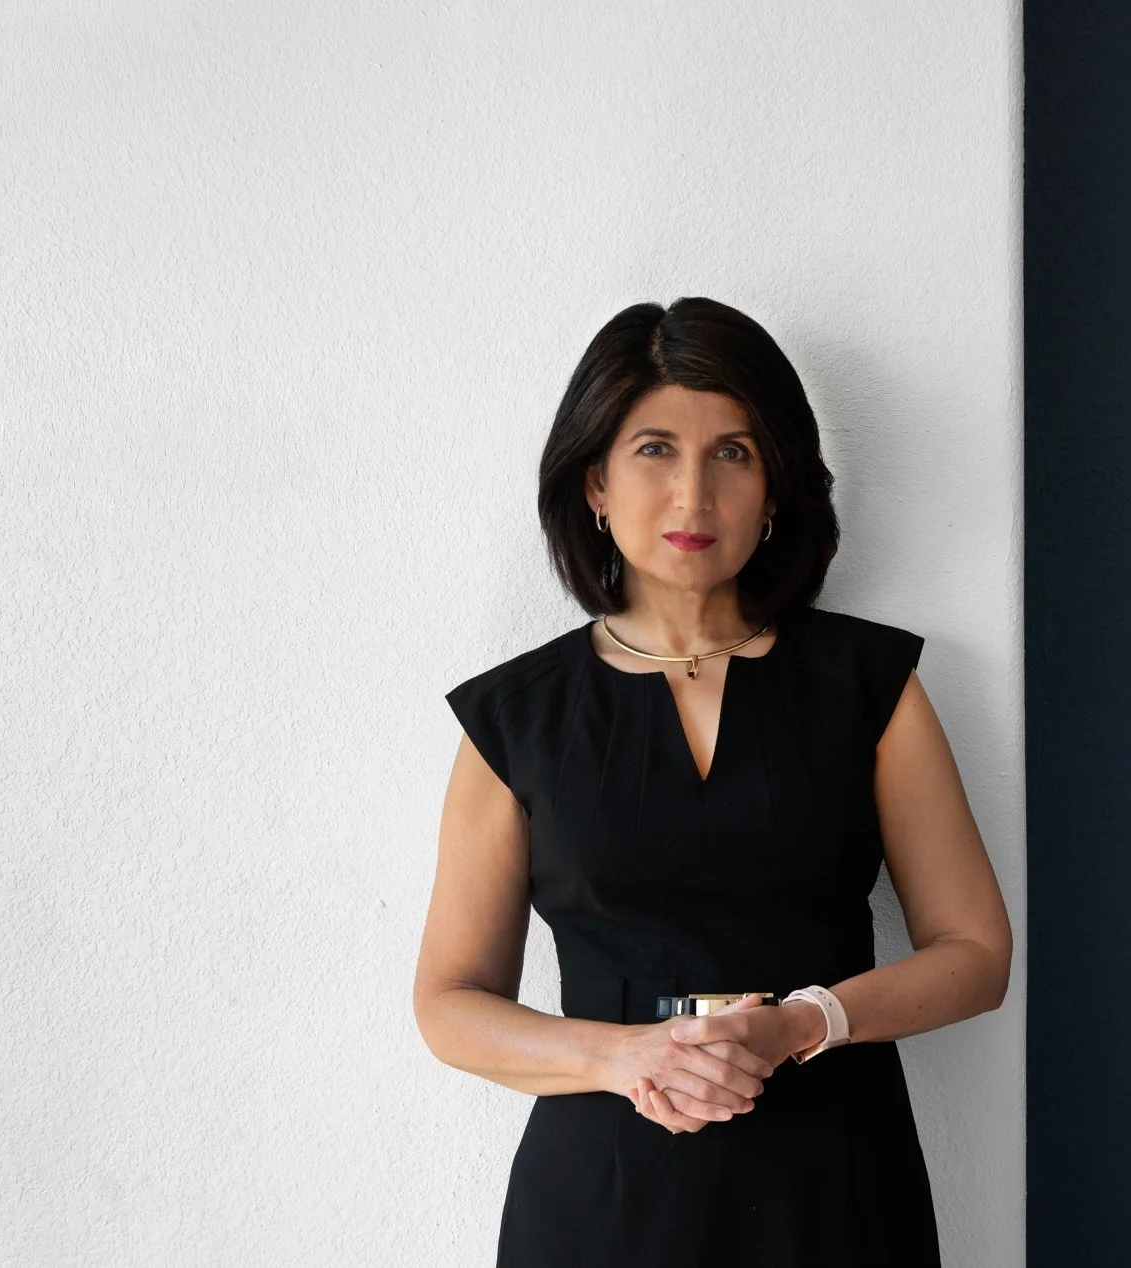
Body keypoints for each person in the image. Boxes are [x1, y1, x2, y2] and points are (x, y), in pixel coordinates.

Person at [412, 296, 1013, 1266]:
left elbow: (977, 951)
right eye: (655, 449)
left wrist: (804, 1021)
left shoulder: (872, 688)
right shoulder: (516, 720)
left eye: (732, 453)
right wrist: (621, 1055)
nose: (692, 497)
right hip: (601, 1202)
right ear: (595, 483)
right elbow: (447, 999)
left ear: (776, 487)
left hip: (835, 1190)